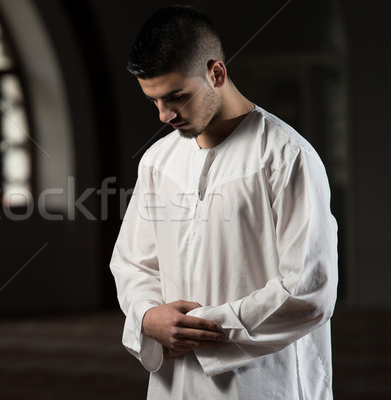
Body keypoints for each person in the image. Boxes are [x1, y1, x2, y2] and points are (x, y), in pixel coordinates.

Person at [110, 5, 338, 399]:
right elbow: (133, 262)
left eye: (175, 97)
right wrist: (148, 316)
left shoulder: (285, 157)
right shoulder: (157, 161)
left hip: (265, 378)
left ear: (216, 73)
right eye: (154, 102)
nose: (165, 115)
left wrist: (202, 326)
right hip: (175, 381)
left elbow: (307, 290)